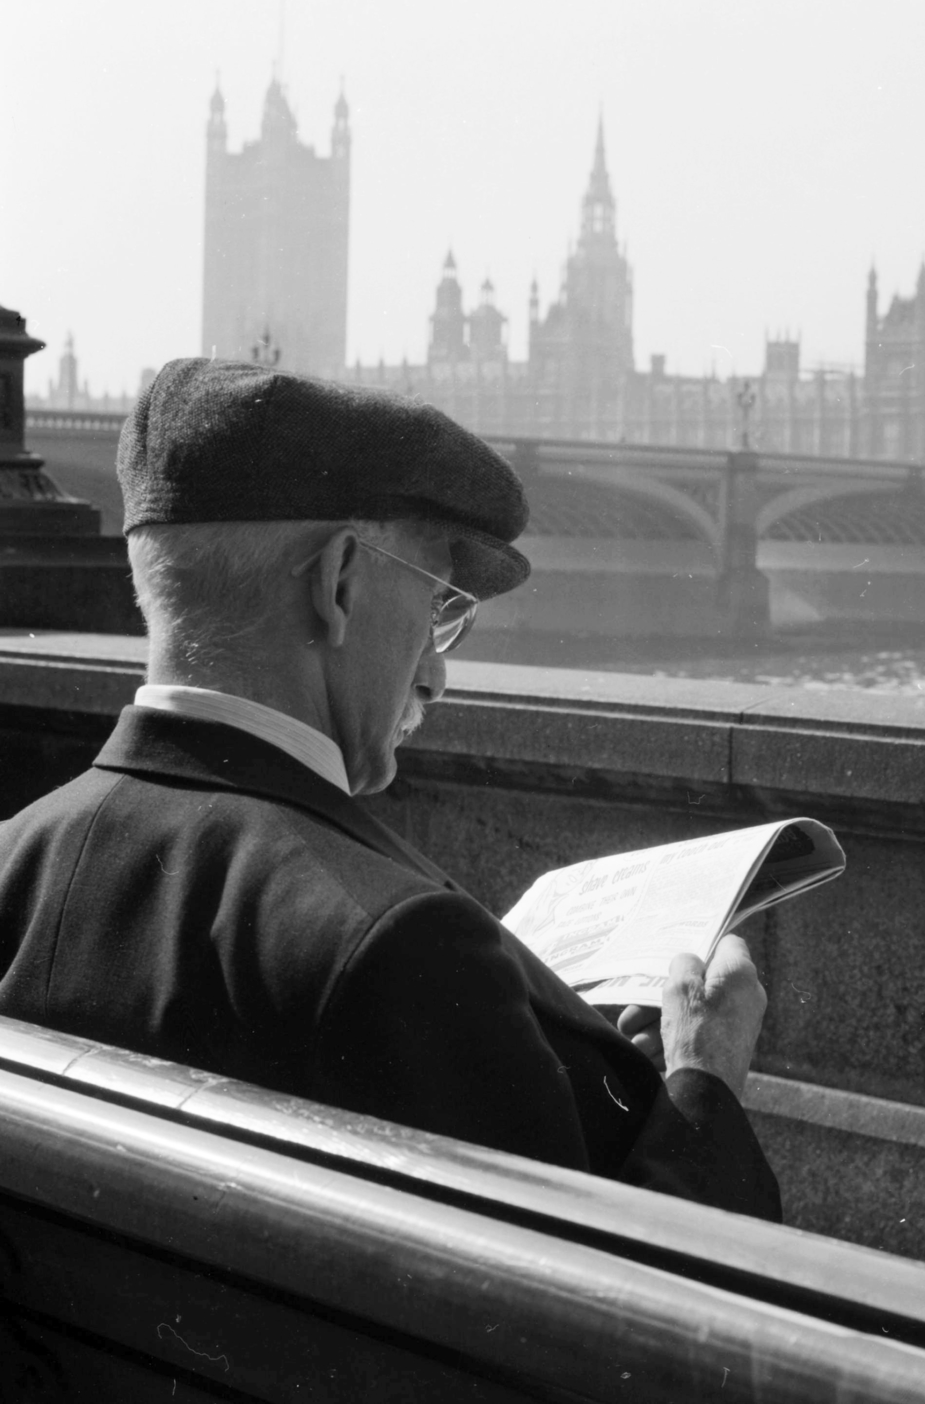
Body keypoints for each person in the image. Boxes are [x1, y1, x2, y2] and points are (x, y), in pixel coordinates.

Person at [0, 359, 779, 1220]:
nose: (438, 674)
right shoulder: (406, 949)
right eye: (439, 607)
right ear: (338, 582)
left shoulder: (15, 858)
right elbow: (609, 1320)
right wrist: (704, 1082)